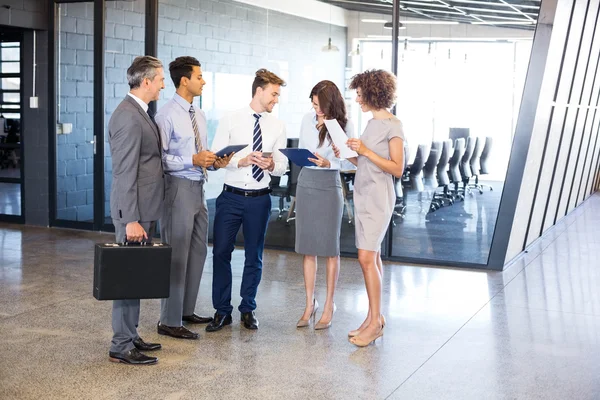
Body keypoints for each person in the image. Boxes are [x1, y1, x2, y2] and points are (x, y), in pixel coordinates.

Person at [155, 57, 233, 340]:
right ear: (184, 80)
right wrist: (192, 159)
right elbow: (160, 159)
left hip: (199, 188)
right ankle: (168, 319)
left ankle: (185, 310)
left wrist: (214, 161)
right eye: (199, 76)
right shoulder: (165, 115)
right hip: (177, 189)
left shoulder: (198, 114)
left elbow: (201, 152)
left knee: (198, 252)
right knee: (175, 255)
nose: (204, 81)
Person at [206, 68, 288, 332]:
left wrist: (271, 163)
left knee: (255, 255)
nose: (276, 99)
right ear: (259, 91)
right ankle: (221, 311)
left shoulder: (277, 125)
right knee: (220, 253)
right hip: (230, 197)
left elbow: (283, 165)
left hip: (260, 199)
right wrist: (241, 161)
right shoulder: (230, 119)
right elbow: (217, 159)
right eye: (274, 94)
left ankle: (248, 309)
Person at [107, 56, 166, 365]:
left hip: (144, 209)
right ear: (146, 82)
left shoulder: (139, 112)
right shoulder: (128, 117)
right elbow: (125, 172)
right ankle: (120, 344)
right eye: (159, 80)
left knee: (136, 276)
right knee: (127, 278)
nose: (163, 84)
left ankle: (131, 334)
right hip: (134, 212)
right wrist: (130, 219)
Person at [340, 69, 404, 347]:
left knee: (366, 259)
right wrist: (351, 154)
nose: (357, 99)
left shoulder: (393, 125)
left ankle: (376, 322)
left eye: (360, 93)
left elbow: (397, 168)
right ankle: (371, 317)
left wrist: (365, 151)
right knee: (371, 257)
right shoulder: (370, 124)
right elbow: (366, 163)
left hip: (378, 198)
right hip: (363, 194)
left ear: (373, 92)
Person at [295, 80, 353, 330]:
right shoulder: (307, 120)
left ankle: (329, 304)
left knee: (330, 248)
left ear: (329, 102)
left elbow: (352, 163)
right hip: (306, 181)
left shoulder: (344, 125)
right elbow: (301, 150)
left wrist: (331, 164)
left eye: (318, 104)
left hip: (330, 184)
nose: (314, 107)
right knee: (308, 247)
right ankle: (310, 303)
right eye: (312, 103)